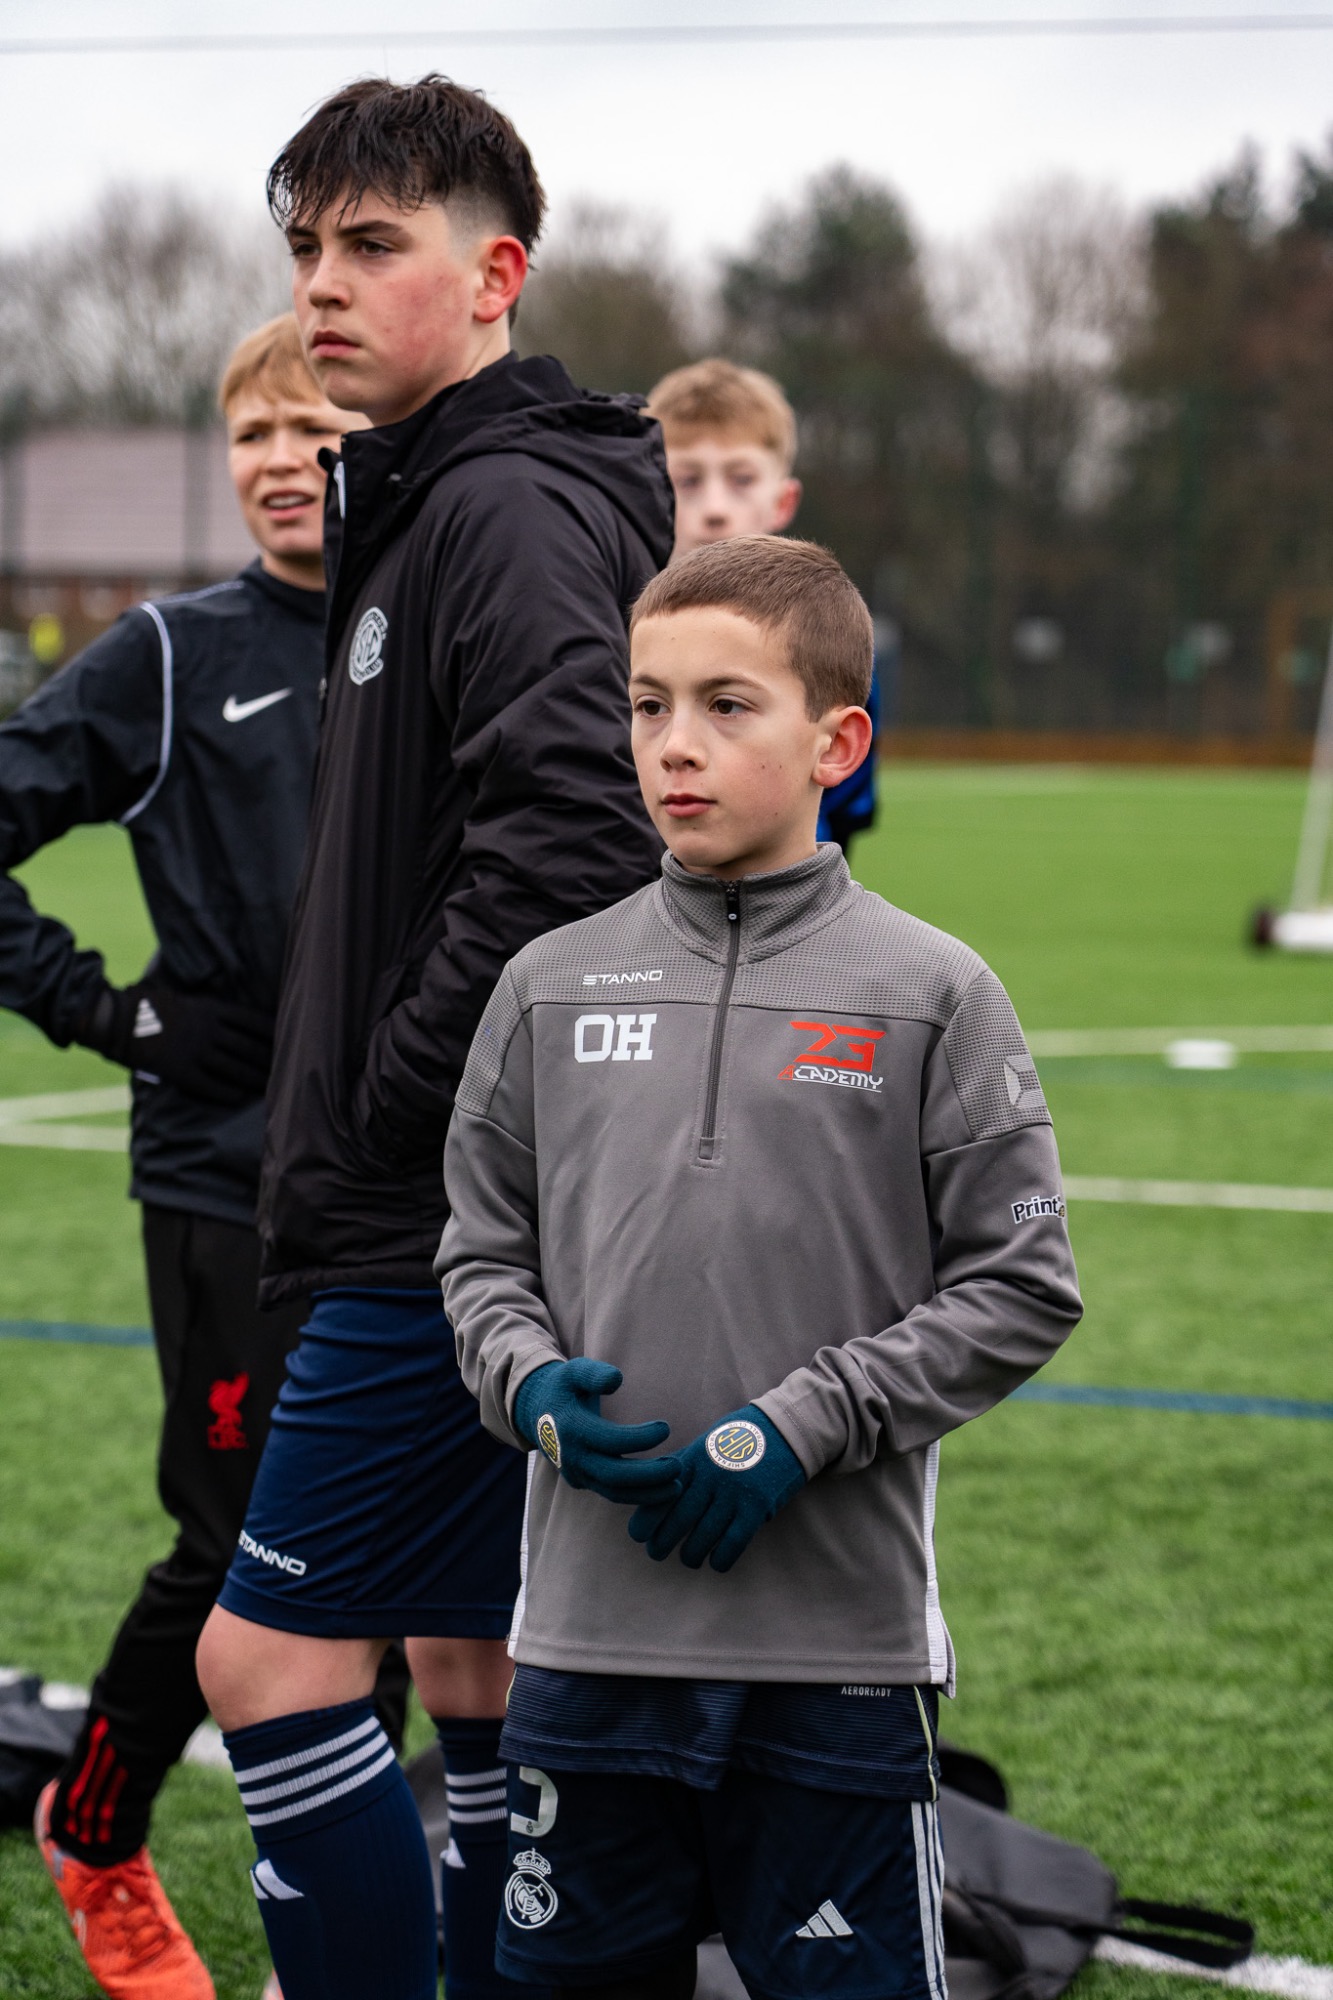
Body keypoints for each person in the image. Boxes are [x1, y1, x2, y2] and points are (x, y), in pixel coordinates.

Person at [440, 534, 1083, 2000]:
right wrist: (526, 1382)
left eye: (727, 705)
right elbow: (479, 1250)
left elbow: (1021, 1282)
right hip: (586, 1644)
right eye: (647, 705)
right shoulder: (546, 985)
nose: (675, 744)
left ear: (836, 743)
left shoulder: (934, 991)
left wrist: (802, 1422)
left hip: (834, 1652)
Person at [194, 74, 674, 2000]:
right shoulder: (433, 497)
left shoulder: (496, 507)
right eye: (305, 246)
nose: (320, 283)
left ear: (493, 276)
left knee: (266, 1664)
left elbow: (575, 835)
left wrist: (399, 1101)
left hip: (434, 1218)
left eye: (371, 244)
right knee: (470, 1657)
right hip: (475, 1209)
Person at [0, 315, 367, 1999]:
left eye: (315, 431)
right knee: (233, 1546)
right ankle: (93, 1827)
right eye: (252, 435)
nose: (280, 462)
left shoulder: (444, 637)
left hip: (419, 1181)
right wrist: (107, 1013)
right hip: (227, 1179)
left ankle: (344, 1909)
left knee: (396, 1557)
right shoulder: (165, 654)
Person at [648, 356, 882, 855]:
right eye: (688, 480)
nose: (714, 508)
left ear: (783, 500)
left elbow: (847, 801)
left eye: (741, 479)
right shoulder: (615, 628)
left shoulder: (829, 635)